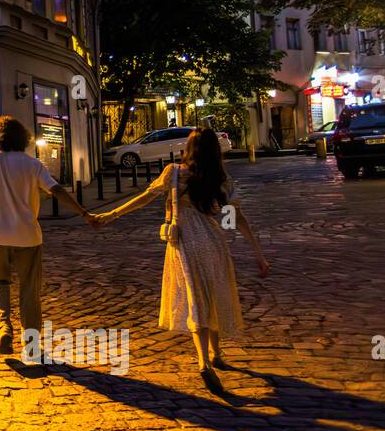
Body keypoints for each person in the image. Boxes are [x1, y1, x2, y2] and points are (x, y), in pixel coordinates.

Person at [90, 128, 270, 394]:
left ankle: (204, 362)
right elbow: (236, 218)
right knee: (214, 293)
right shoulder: (221, 178)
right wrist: (259, 254)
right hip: (214, 241)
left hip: (184, 241)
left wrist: (111, 214)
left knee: (196, 298)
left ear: (190, 148)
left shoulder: (174, 173)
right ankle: (217, 354)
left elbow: (144, 198)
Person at [0, 115, 94, 355]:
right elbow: (56, 190)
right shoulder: (32, 164)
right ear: (23, 138)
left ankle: (4, 328)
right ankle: (31, 342)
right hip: (28, 236)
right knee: (29, 289)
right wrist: (83, 212)